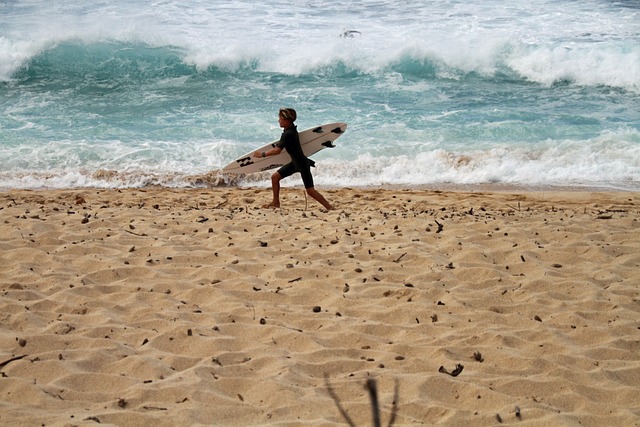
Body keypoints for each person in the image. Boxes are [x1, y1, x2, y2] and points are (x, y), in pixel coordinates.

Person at [254, 108, 333, 210]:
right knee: (275, 177)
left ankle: (330, 208)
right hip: (295, 163)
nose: (279, 120)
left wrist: (262, 154)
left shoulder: (288, 134)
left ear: (287, 120)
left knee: (310, 191)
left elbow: (277, 150)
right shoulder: (291, 129)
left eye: (281, 119)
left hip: (302, 164)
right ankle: (275, 202)